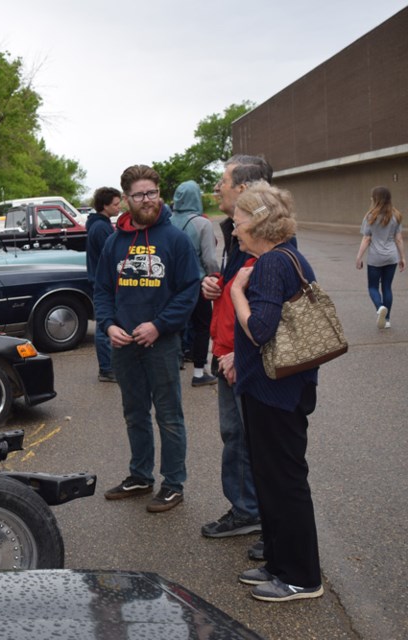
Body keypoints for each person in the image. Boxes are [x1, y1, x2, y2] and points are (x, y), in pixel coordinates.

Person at [225, 182, 324, 602]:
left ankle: (302, 577)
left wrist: (235, 292)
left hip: (275, 392)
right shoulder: (286, 258)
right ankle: (280, 563)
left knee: (284, 482)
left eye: (239, 221)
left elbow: (262, 330)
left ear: (260, 222)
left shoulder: (270, 264)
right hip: (278, 389)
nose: (234, 229)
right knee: (270, 480)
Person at [94, 165, 200, 513]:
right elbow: (103, 290)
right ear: (126, 199)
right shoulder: (114, 242)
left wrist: (159, 325)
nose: (147, 200)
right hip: (124, 346)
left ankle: (173, 483)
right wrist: (108, 325)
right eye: (139, 194)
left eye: (152, 193)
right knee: (134, 413)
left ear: (160, 194)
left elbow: (188, 290)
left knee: (169, 416)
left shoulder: (176, 239)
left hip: (162, 343)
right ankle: (140, 475)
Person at [200, 156, 273, 552]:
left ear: (244, 188)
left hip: (245, 357)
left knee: (261, 443)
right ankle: (246, 512)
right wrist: (215, 284)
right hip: (229, 351)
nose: (217, 188)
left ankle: (271, 527)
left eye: (223, 181)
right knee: (237, 436)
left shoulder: (268, 239)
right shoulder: (235, 232)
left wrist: (240, 354)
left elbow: (266, 309)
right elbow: (237, 289)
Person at [171, 181, 219, 387]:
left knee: (175, 325)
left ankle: (175, 363)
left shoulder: (167, 220)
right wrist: (215, 277)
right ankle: (199, 373)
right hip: (197, 283)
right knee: (202, 327)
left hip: (172, 284)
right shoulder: (202, 223)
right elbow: (209, 258)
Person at [355, 186, 405, 329]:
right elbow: (399, 239)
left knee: (372, 287)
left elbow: (366, 239)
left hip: (375, 258)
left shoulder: (370, 216)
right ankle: (387, 319)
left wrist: (359, 257)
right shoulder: (396, 216)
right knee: (387, 287)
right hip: (391, 257)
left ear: (375, 199)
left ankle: (379, 307)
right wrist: (402, 258)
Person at [84, 186, 121, 383]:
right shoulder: (101, 228)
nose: (119, 207)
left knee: (105, 322)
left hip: (100, 279)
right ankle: (107, 368)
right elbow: (112, 255)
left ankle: (109, 366)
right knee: (104, 324)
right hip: (103, 282)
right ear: (105, 205)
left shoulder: (98, 225)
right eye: (115, 204)